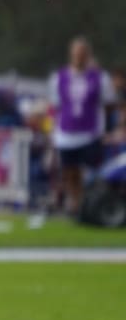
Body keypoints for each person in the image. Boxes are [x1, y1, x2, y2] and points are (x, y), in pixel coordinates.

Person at [48, 36, 116, 216]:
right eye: (76, 54)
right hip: (66, 134)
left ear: (88, 55)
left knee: (91, 172)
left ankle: (91, 203)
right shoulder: (59, 77)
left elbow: (109, 104)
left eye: (83, 54)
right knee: (70, 172)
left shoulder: (100, 78)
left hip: (90, 133)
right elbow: (56, 106)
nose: (79, 57)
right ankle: (76, 204)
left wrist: (107, 128)